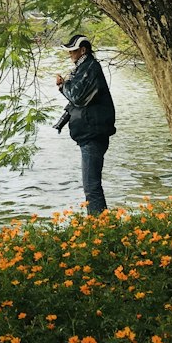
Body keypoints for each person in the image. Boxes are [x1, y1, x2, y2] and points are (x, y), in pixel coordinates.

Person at [55, 33, 116, 215]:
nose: (70, 55)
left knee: (91, 186)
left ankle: (100, 227)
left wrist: (62, 85)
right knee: (91, 185)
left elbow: (77, 97)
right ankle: (101, 224)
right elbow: (78, 101)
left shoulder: (89, 68)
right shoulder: (85, 68)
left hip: (93, 134)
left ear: (83, 50)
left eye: (73, 51)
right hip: (90, 134)